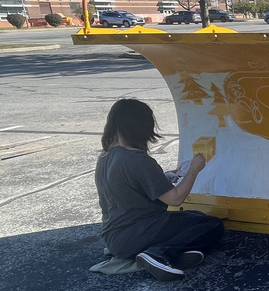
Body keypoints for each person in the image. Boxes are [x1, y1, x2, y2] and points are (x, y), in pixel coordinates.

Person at [95, 99, 224, 281]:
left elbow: (131, 187)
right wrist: (194, 170)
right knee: (211, 225)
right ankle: (158, 254)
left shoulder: (105, 157)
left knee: (194, 217)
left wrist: (166, 177)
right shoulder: (137, 160)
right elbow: (175, 199)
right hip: (139, 233)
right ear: (142, 127)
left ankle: (172, 253)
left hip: (114, 238)